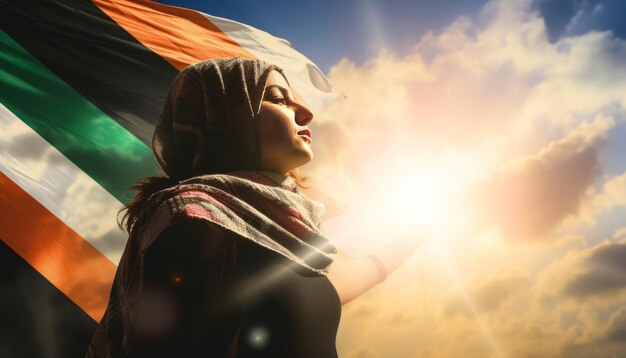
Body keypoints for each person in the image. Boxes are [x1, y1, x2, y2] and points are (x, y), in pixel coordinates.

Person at [85, 57, 425, 357]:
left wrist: (423, 231)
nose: (305, 112)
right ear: (221, 118)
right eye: (278, 99)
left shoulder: (291, 242)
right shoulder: (189, 218)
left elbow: (359, 273)